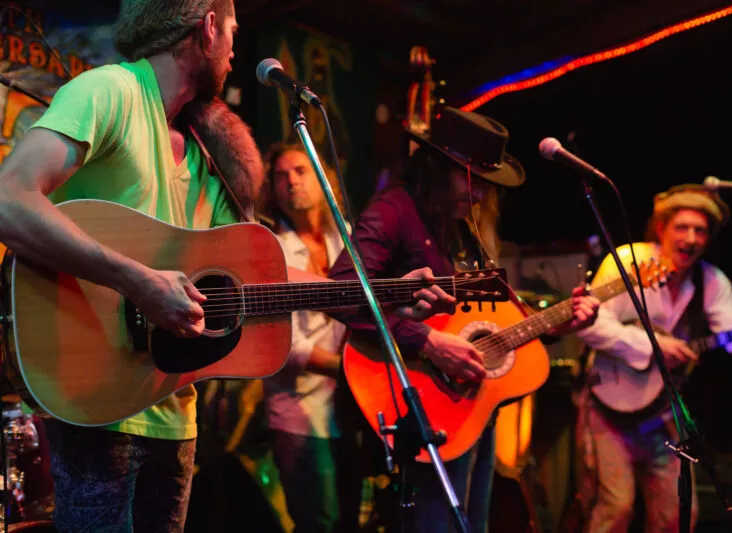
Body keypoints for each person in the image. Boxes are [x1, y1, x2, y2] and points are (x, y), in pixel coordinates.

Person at [0, 1, 450, 530]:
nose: (236, 49)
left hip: (175, 414)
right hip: (93, 397)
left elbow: (265, 279)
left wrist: (388, 292)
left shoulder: (209, 153)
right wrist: (136, 280)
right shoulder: (110, 92)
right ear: (208, 26)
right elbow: (9, 199)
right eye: (233, 31)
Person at [328, 106, 601, 533]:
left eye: (486, 186)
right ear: (436, 168)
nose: (478, 195)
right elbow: (341, 292)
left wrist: (557, 324)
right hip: (418, 403)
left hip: (472, 405)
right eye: (469, 180)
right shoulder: (394, 209)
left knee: (470, 526)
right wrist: (427, 341)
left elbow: (493, 318)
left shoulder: (463, 229)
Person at [574, 184, 732, 533]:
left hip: (661, 411)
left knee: (676, 516)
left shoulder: (710, 280)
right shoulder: (630, 261)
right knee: (615, 509)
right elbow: (589, 325)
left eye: (701, 230)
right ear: (661, 229)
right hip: (607, 409)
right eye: (682, 227)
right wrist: (653, 345)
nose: (691, 239)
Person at [259, 142, 357, 532]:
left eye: (300, 171)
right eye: (281, 176)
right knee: (320, 522)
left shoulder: (346, 238)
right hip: (299, 413)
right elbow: (282, 345)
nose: (290, 182)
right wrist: (348, 368)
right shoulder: (271, 250)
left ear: (323, 179)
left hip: (351, 408)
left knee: (350, 519)